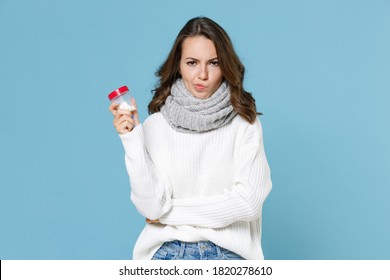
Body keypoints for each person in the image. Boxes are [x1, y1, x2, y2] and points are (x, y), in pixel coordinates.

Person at [109, 17, 272, 260]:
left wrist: (169, 215)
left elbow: (248, 203)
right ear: (178, 65)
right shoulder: (156, 126)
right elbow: (151, 207)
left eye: (214, 63)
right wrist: (132, 139)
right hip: (167, 252)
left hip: (229, 254)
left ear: (226, 66)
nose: (202, 74)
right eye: (192, 62)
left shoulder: (244, 124)